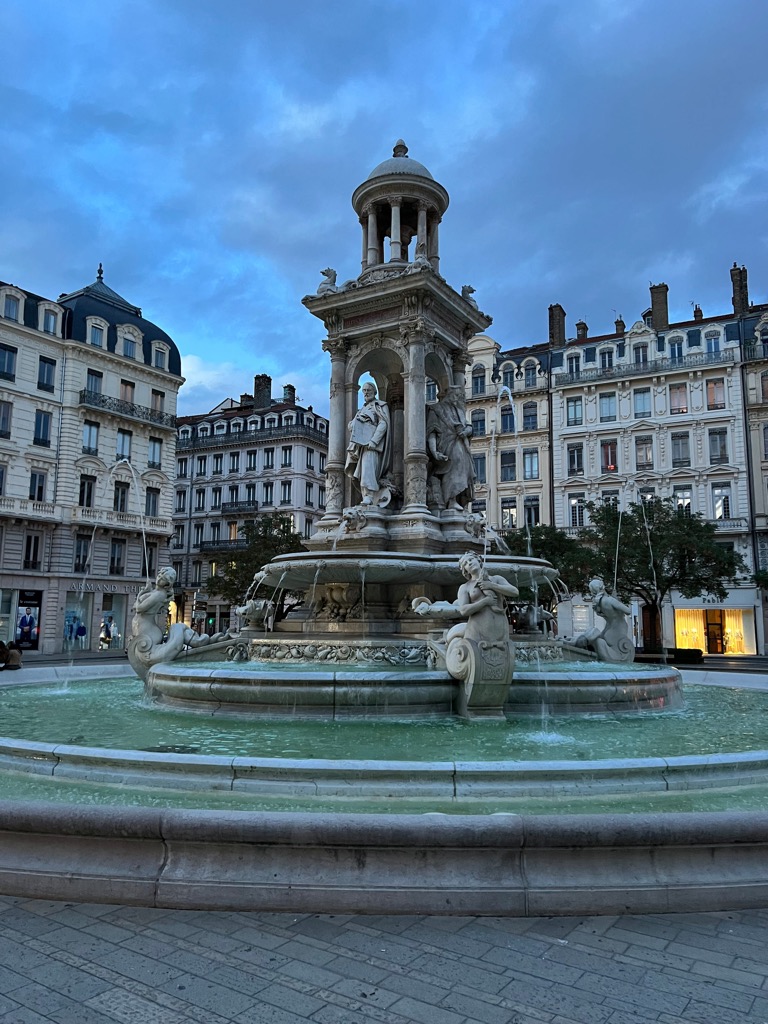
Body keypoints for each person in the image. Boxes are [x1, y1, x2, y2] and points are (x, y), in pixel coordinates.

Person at [426, 387, 475, 510]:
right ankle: (451, 500)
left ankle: (458, 500)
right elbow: (432, 432)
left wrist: (466, 431)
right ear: (449, 394)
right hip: (446, 446)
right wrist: (434, 451)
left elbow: (469, 426)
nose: (458, 399)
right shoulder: (436, 409)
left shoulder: (459, 410)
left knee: (463, 469)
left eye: (460, 396)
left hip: (461, 445)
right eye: (456, 395)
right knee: (453, 468)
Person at [344, 382, 392, 506]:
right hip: (360, 445)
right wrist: (356, 422)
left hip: (372, 445)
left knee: (368, 469)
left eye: (368, 390)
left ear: (375, 392)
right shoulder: (362, 409)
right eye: (364, 390)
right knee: (361, 471)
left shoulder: (380, 405)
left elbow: (383, 423)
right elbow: (351, 426)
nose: (366, 392)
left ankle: (370, 496)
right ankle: (366, 496)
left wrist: (374, 441)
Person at [574, 578, 634, 663]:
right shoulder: (610, 600)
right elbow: (628, 611)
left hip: (608, 629)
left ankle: (575, 642)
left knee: (595, 636)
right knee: (598, 640)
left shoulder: (598, 604)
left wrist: (615, 599)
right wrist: (617, 602)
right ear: (603, 587)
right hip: (618, 628)